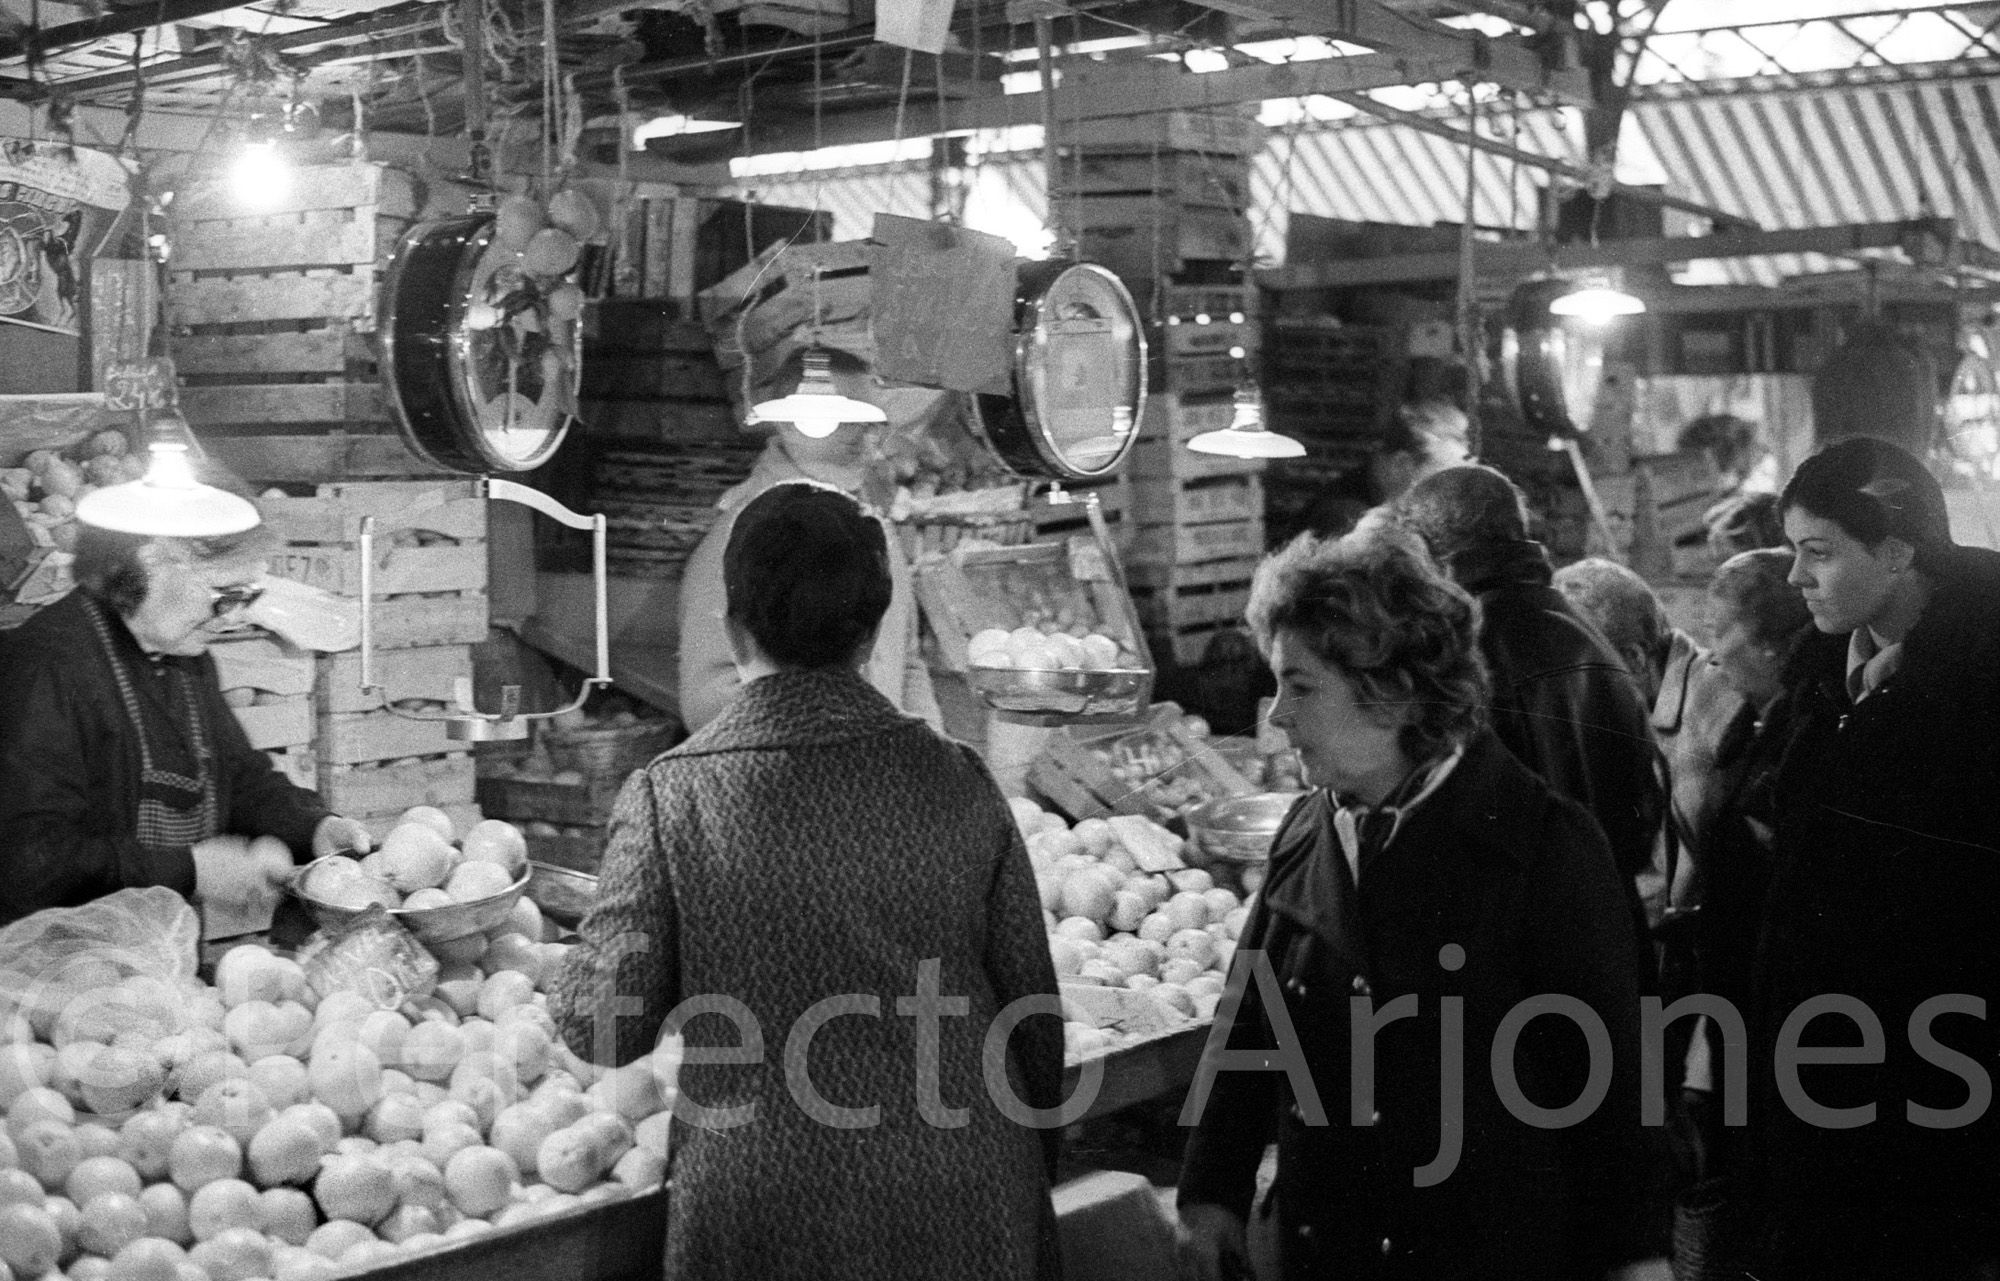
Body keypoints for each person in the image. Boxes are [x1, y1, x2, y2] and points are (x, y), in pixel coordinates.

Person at [552, 482, 1063, 1280]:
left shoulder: (671, 796)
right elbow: (1033, 1016)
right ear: (869, 635)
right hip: (964, 1190)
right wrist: (1029, 1173)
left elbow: (602, 1026)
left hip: (769, 1207)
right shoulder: (960, 779)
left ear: (732, 625)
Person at [1177, 528, 1663, 1281]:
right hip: (1328, 1251)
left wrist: (1635, 1257)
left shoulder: (1544, 848)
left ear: (1394, 691)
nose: (1276, 715)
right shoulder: (1311, 827)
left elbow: (1610, 1086)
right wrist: (1212, 1195)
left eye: (1300, 686)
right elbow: (1250, 1017)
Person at [1731, 436, 2000, 1280]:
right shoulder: (1817, 677)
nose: (1795, 579)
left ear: (1896, 551)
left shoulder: (1979, 691)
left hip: (1939, 1099)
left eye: (1819, 554)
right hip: (1814, 1078)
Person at [0, 522, 371, 926]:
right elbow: (29, 858)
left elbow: (237, 777)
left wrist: (313, 828)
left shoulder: (185, 657)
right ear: (151, 561)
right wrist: (190, 870)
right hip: (51, 967)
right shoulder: (43, 667)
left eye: (248, 596)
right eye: (224, 595)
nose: (233, 617)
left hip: (152, 961)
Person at [1390, 466, 1664, 894]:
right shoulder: (1579, 627)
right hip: (1607, 918)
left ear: (1429, 550)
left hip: (1533, 935)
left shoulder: (1472, 652)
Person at [677, 351, 942, 734]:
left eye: (868, 417)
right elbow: (707, 699)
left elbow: (908, 665)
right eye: (843, 415)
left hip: (881, 773)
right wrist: (826, 753)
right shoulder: (744, 532)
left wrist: (930, 754)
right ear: (787, 421)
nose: (862, 431)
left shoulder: (870, 525)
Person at [1663, 549, 1810, 1190]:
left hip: (1773, 1015)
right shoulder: (1755, 726)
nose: (1713, 654)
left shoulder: (1798, 738)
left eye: (1723, 632)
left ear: (1779, 644)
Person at [1552, 558, 1748, 923]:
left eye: (1582, 671)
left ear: (1634, 658)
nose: (1573, 691)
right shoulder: (1641, 708)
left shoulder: (1717, 698)